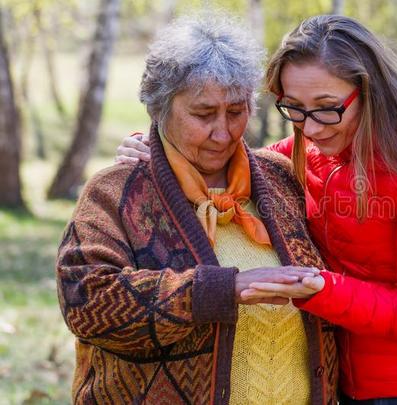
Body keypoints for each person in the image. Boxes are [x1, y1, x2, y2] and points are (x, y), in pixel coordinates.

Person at [117, 14, 397, 405]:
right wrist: (157, 148)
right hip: (353, 387)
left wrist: (322, 288)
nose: (312, 128)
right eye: (295, 109)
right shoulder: (307, 153)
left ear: (369, 92)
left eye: (327, 107)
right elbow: (234, 162)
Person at [56, 15, 338, 405]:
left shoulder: (280, 178)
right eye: (203, 115)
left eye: (236, 112)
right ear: (160, 108)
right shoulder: (116, 192)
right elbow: (86, 301)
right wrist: (221, 289)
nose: (222, 133)